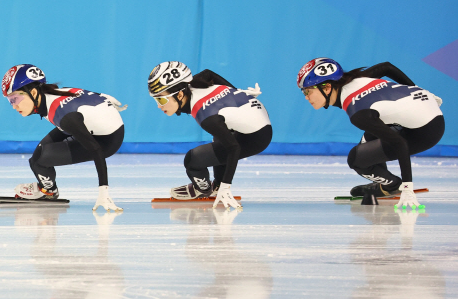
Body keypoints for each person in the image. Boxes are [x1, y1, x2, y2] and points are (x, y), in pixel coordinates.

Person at [297, 58, 445, 209]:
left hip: (425, 132)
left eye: (308, 91)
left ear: (327, 87)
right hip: (426, 110)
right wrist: (417, 90)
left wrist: (408, 187)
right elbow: (387, 67)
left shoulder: (358, 113)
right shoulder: (358, 79)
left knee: (356, 159)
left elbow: (399, 143)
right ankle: (383, 181)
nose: (306, 97)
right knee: (366, 141)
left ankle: (393, 185)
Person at [147, 61, 272, 209]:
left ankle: (204, 189)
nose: (158, 105)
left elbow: (234, 147)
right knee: (218, 138)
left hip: (256, 137)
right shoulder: (193, 83)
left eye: (161, 99)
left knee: (193, 160)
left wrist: (227, 186)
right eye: (156, 99)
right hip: (255, 119)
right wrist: (237, 93)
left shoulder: (205, 115)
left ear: (180, 94)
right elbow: (208, 73)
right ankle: (217, 185)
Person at [1, 64, 126, 211]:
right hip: (92, 123)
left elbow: (96, 149)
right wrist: (103, 100)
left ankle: (48, 192)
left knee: (42, 159)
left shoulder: (65, 117)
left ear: (34, 93)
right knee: (36, 158)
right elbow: (84, 95)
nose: (14, 106)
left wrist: (103, 192)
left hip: (106, 140)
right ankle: (46, 187)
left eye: (14, 99)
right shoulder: (52, 94)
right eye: (10, 101)